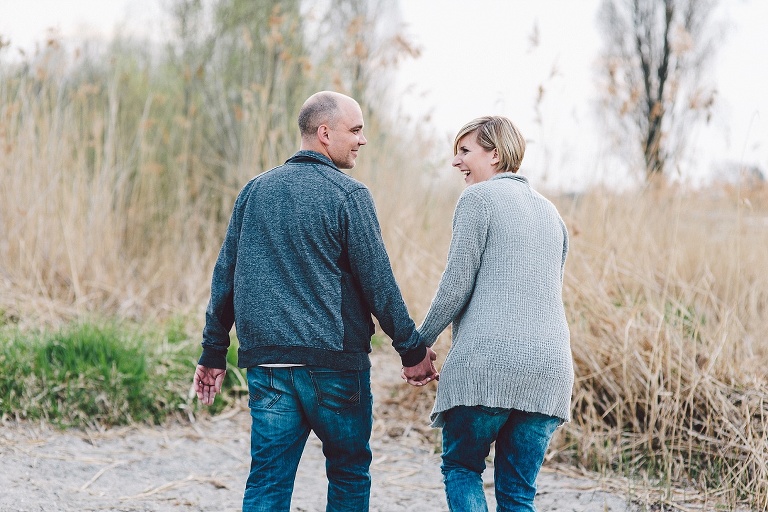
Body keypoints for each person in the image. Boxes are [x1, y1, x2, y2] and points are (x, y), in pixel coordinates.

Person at [193, 90, 438, 512]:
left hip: (269, 368)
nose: (362, 140)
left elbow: (225, 279)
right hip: (335, 368)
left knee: (268, 480)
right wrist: (412, 349)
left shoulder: (254, 192)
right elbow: (378, 284)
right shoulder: (349, 196)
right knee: (348, 473)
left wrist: (213, 352)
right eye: (355, 130)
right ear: (324, 133)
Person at [407, 116, 573, 511]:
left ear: (495, 155)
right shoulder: (553, 215)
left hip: (487, 366)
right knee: (517, 493)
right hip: (549, 373)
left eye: (465, 151)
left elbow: (455, 285)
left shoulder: (478, 199)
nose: (455, 162)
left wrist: (418, 344)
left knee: (463, 468)